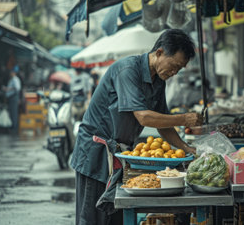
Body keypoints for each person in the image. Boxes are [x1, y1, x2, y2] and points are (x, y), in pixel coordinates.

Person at [70, 29, 203, 225]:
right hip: (95, 154)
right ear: (159, 53)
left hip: (119, 155)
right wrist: (184, 119)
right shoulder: (128, 70)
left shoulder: (159, 81)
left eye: (179, 69)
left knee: (115, 215)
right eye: (174, 66)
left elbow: (163, 124)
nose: (174, 72)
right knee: (93, 218)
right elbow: (144, 117)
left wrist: (187, 149)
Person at [4, 66, 21, 133]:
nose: (10, 73)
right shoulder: (12, 79)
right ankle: (13, 127)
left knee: (13, 113)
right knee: (11, 112)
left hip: (13, 97)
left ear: (14, 72)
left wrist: (7, 89)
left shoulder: (15, 79)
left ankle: (14, 128)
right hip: (11, 97)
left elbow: (17, 88)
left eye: (11, 72)